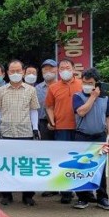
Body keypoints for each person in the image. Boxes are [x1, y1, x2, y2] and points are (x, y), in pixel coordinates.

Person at [0, 59, 40, 206]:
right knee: (6, 165)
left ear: (23, 72)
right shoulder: (1, 91)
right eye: (12, 71)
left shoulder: (31, 90)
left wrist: (36, 128)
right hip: (6, 131)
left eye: (18, 71)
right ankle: (7, 195)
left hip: (25, 131)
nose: (15, 73)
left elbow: (33, 110)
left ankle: (27, 195)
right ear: (7, 73)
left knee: (25, 165)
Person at [72, 68, 109, 210]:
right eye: (84, 82)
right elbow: (81, 111)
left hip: (99, 136)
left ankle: (102, 198)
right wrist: (92, 97)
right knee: (82, 168)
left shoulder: (105, 98)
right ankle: (82, 198)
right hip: (82, 136)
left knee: (101, 169)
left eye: (90, 83)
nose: (86, 85)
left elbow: (108, 116)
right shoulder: (77, 96)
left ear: (97, 83)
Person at [45, 58, 83, 204]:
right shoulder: (53, 87)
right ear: (58, 71)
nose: (64, 71)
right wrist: (52, 120)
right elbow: (48, 106)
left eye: (67, 68)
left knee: (81, 160)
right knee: (64, 161)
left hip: (80, 128)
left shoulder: (82, 84)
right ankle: (66, 192)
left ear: (74, 69)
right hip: (61, 128)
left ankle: (84, 193)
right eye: (61, 68)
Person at [35, 59, 58, 141]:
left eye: (51, 68)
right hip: (42, 124)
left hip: (60, 122)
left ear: (56, 69)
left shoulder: (62, 86)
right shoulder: (37, 88)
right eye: (45, 69)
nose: (48, 71)